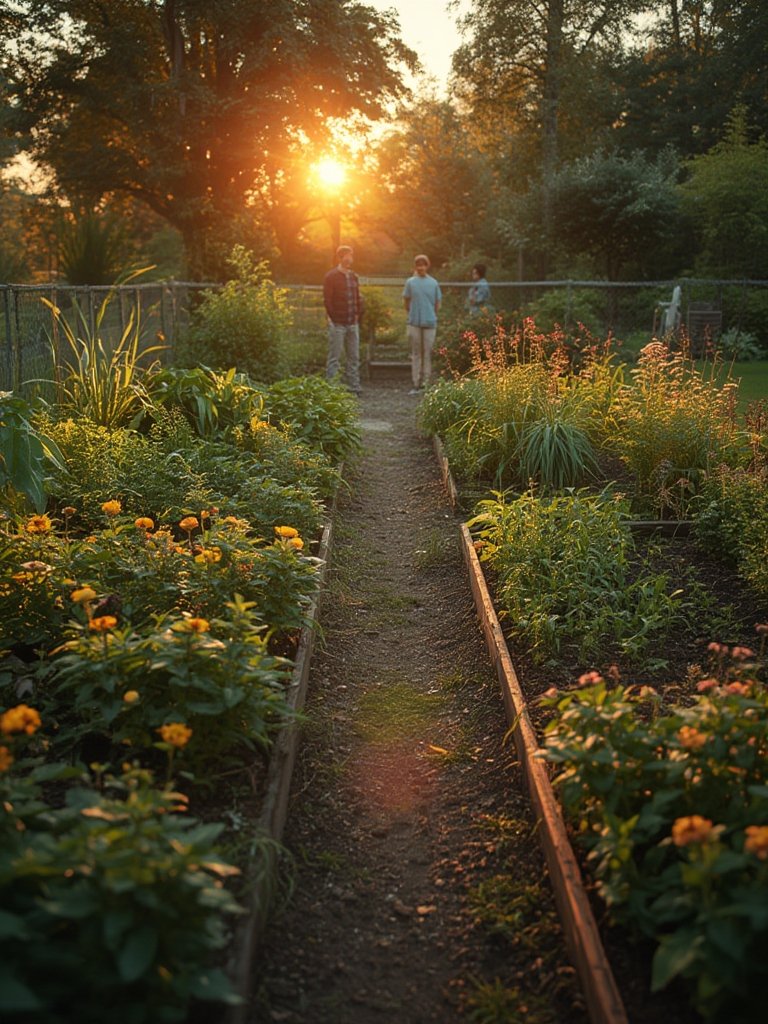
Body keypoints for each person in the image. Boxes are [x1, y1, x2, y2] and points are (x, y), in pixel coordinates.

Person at [323, 244, 363, 395]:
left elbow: (357, 297)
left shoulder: (354, 276)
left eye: (351, 255)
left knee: (354, 356)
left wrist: (357, 315)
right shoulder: (331, 277)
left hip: (352, 322)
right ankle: (331, 388)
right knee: (335, 356)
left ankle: (354, 386)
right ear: (340, 257)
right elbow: (327, 300)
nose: (350, 258)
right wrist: (333, 319)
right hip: (338, 323)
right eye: (347, 255)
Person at [403, 254, 441, 394]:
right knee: (416, 353)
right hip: (414, 321)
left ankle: (426, 382)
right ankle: (416, 382)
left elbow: (437, 303)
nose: (420, 267)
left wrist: (432, 314)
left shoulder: (434, 283)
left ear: (427, 266)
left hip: (429, 321)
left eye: (423, 264)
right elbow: (406, 301)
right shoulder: (410, 282)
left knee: (427, 353)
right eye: (418, 265)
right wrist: (411, 313)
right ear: (415, 266)